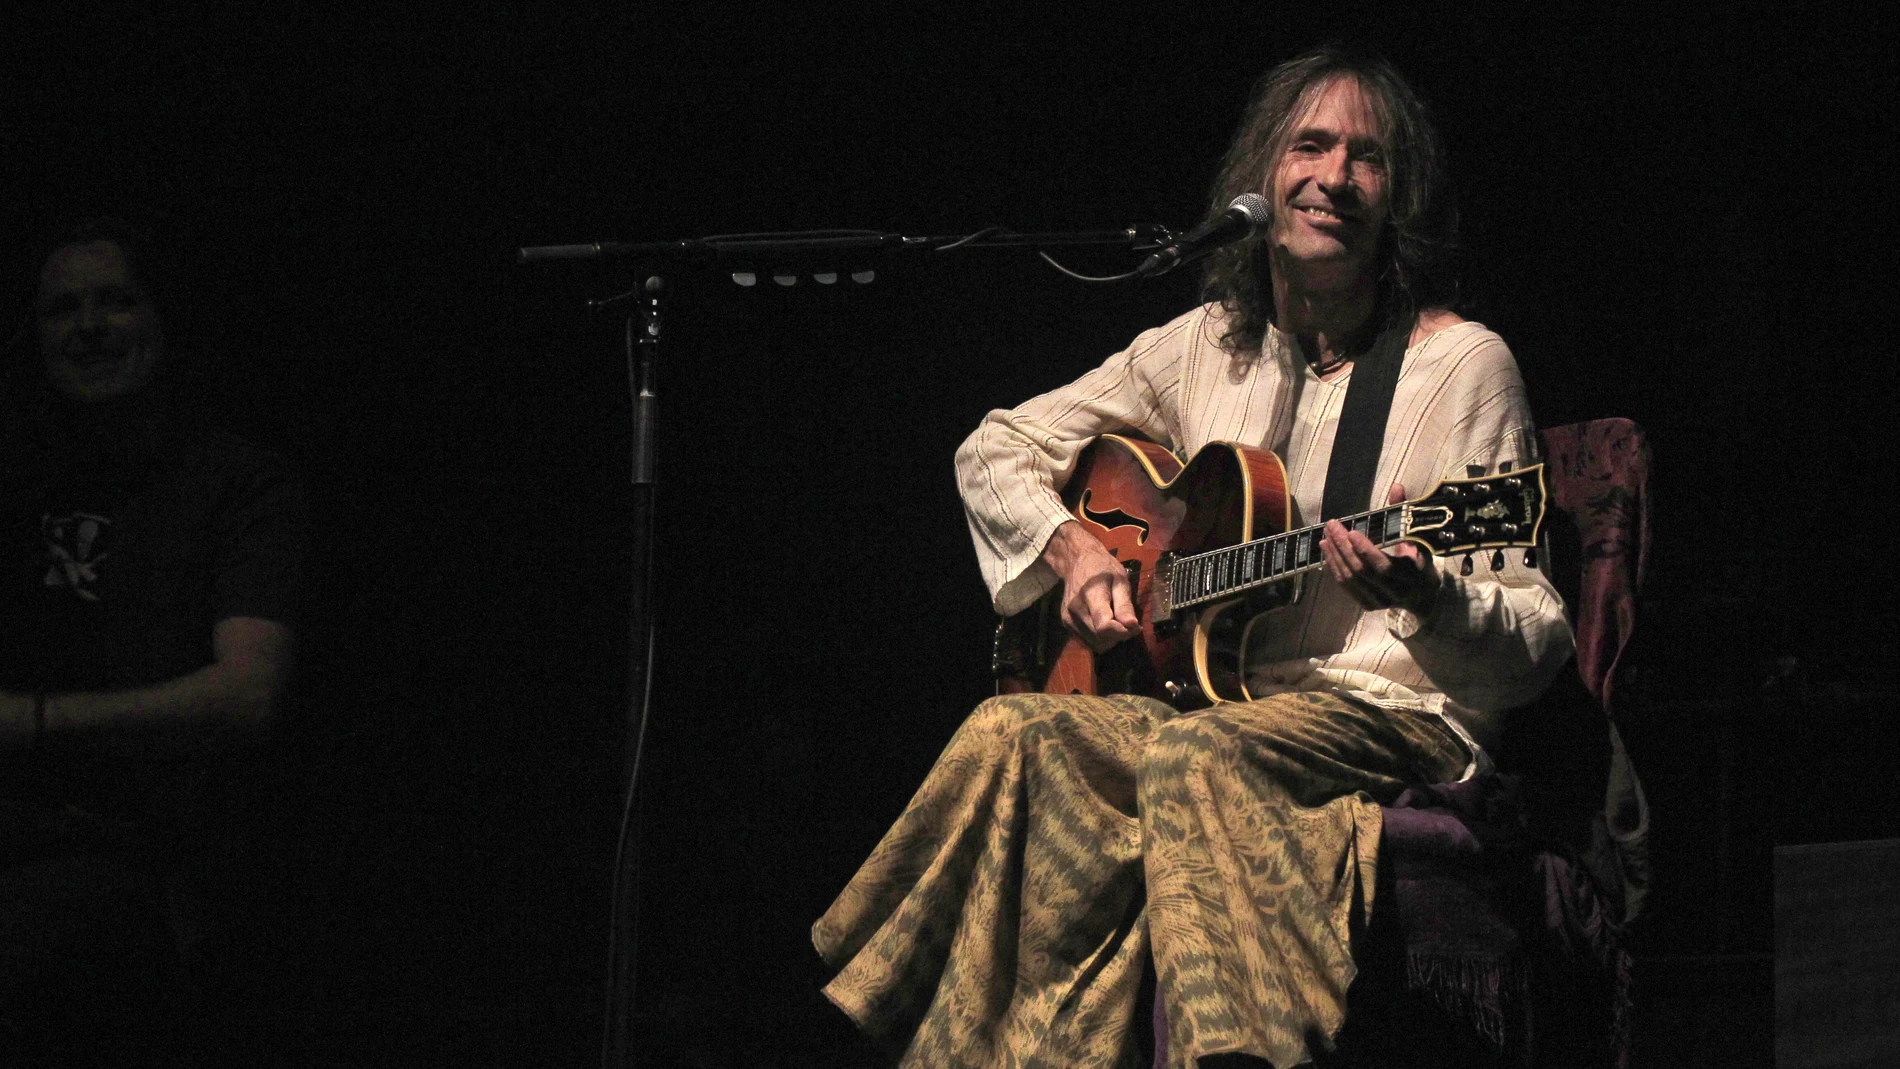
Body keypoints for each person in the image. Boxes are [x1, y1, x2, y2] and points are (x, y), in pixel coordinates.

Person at [813, 46, 1576, 1068]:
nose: (1335, 177)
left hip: (1392, 712)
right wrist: (1073, 549)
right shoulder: (1206, 346)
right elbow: (995, 447)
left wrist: (1431, 597)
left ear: (1400, 200)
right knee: (1018, 730)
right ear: (1259, 179)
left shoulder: (1463, 364)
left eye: (1367, 158)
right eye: (1310, 146)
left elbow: (1537, 636)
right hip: (1229, 702)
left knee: (1190, 755)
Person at [0, 219, 304, 1064]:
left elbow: (247, 693)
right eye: (64, 308)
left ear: (163, 319)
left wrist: (34, 721)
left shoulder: (237, 483)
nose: (89, 327)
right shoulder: (18, 474)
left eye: (115, 301)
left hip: (143, 853)